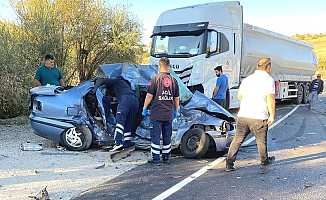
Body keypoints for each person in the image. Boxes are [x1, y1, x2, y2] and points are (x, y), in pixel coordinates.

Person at [225, 58, 275, 172]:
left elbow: (240, 96)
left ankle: (229, 164)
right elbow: (270, 97)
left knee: (237, 139)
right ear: (268, 67)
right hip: (259, 116)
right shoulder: (268, 79)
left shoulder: (247, 79)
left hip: (243, 115)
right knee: (261, 141)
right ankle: (264, 160)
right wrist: (271, 115)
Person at [142, 57, 180, 165]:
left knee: (156, 135)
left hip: (157, 113)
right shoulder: (174, 81)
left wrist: (144, 108)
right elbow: (176, 98)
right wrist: (175, 110)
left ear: (159, 66)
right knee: (167, 135)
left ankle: (156, 159)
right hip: (168, 113)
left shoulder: (155, 79)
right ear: (169, 67)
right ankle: (166, 157)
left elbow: (149, 96)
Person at [94, 76, 139, 151]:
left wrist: (96, 81)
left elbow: (104, 81)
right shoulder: (126, 85)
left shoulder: (117, 81)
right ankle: (127, 143)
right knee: (128, 123)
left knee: (120, 121)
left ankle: (117, 143)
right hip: (135, 101)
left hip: (126, 100)